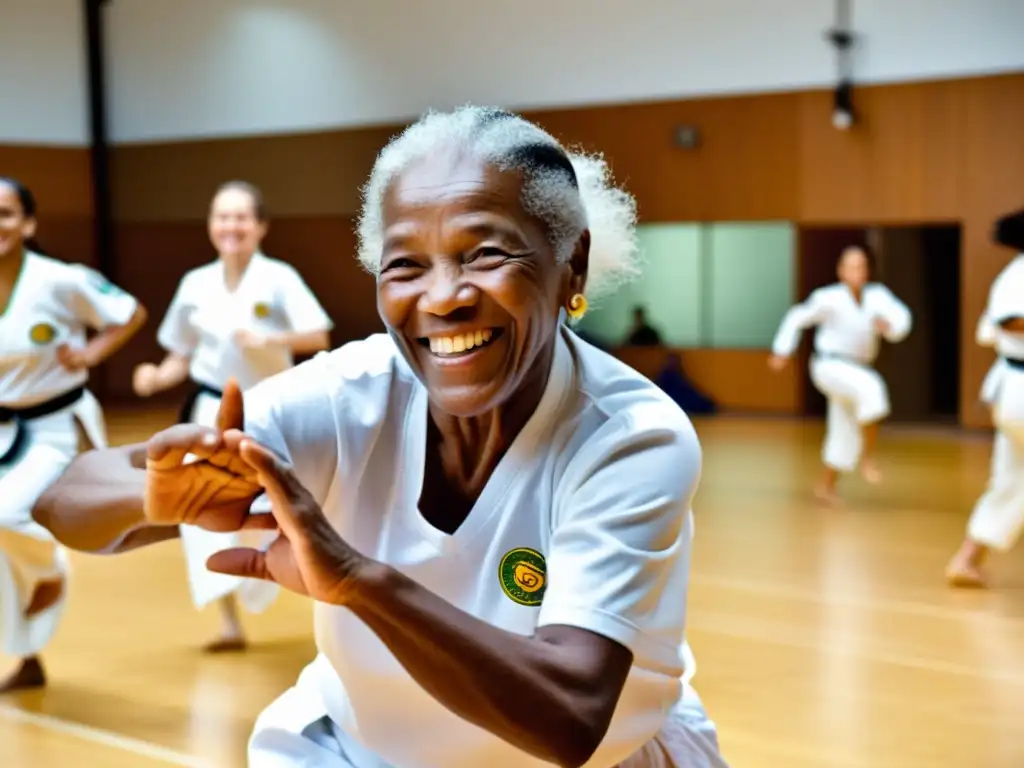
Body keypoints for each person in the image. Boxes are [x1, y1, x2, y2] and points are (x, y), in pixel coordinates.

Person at [34, 106, 728, 768]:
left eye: (485, 252)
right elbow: (65, 496)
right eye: (406, 265)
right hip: (360, 751)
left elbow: (570, 714)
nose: (443, 295)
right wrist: (161, 496)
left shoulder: (630, 437)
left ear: (570, 264)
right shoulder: (350, 395)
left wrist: (361, 582)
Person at [131, 180, 333, 652]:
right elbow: (181, 352)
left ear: (260, 226)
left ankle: (326, 607)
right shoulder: (195, 284)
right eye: (223, 217)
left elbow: (318, 335)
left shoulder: (279, 277)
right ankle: (228, 622)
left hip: (271, 408)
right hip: (208, 411)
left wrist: (272, 341)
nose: (232, 226)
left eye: (242, 217)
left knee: (290, 508)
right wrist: (157, 378)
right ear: (210, 226)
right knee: (203, 508)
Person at [0, 176, 147, 692]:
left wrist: (90, 353)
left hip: (55, 425)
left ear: (28, 223)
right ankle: (28, 655)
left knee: (10, 516)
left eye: (7, 214)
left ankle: (49, 571)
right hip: (5, 428)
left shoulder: (59, 280)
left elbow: (129, 313)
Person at [768, 245, 911, 504]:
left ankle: (826, 486)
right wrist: (783, 350)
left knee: (843, 429)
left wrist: (891, 327)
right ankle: (868, 458)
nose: (859, 271)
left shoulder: (877, 296)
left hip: (855, 369)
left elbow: (902, 319)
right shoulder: (828, 297)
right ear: (841, 271)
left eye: (863, 266)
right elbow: (796, 317)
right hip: (829, 366)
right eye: (853, 266)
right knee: (872, 388)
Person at [946, 216, 1024, 587]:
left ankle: (966, 559)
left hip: (1014, 392)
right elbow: (1008, 320)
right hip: (1019, 389)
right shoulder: (1016, 275)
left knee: (1012, 479)